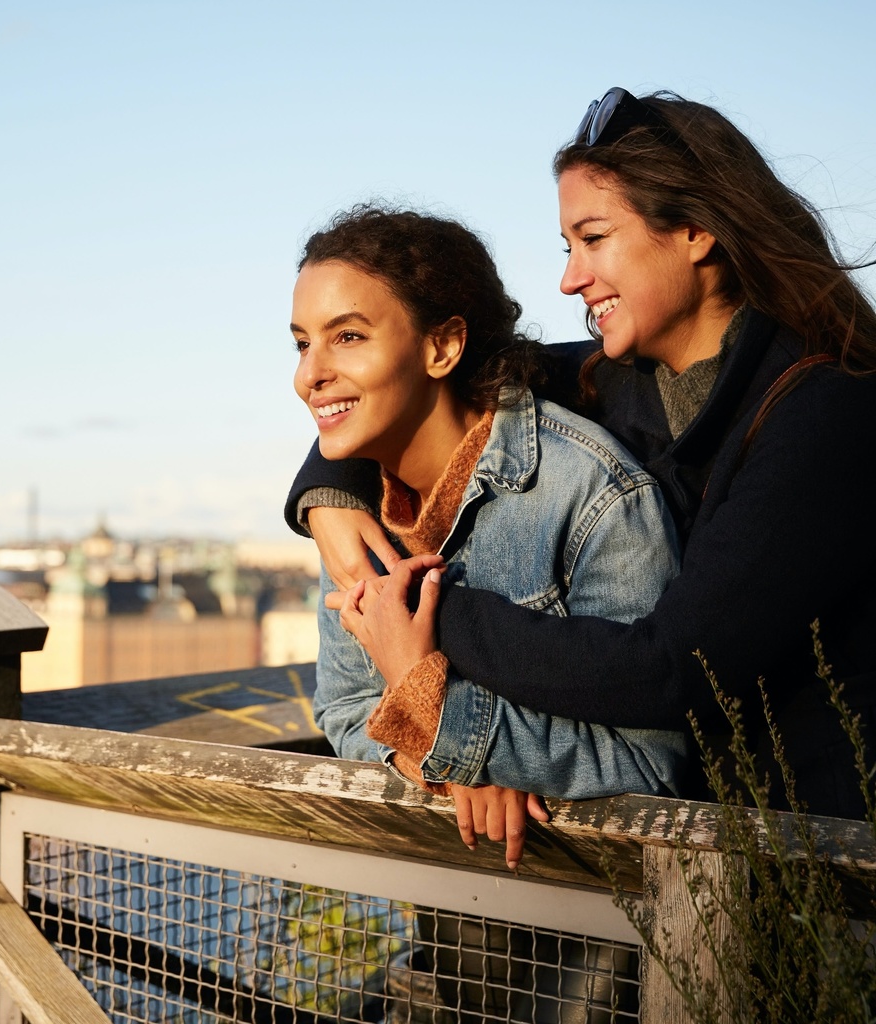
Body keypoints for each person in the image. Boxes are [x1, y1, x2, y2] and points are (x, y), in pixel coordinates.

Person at [289, 89, 876, 822]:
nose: (570, 278)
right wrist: (330, 493)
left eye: (593, 239)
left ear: (694, 229)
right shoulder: (615, 377)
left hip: (820, 863)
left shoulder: (827, 413)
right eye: (568, 248)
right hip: (688, 862)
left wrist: (417, 618)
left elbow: (673, 668)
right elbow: (420, 391)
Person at [292, 205, 689, 874]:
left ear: (441, 347)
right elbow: (345, 707)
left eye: (349, 337)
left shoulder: (588, 492)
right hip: (460, 929)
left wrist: (450, 723)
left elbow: (651, 759)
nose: (310, 375)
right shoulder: (353, 515)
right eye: (303, 343)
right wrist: (449, 765)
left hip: (615, 935)